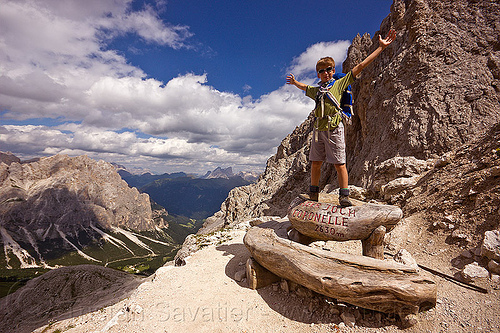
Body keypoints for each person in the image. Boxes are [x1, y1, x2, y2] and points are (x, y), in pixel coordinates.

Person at [286, 30, 396, 206]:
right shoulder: (317, 91)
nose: (326, 73)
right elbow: (305, 88)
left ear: (333, 70)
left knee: (339, 164)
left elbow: (360, 66)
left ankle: (344, 197)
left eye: (329, 69)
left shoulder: (340, 84)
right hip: (319, 130)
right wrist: (295, 83)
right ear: (318, 74)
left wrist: (380, 48)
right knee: (315, 163)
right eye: (322, 71)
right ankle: (313, 194)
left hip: (335, 128)